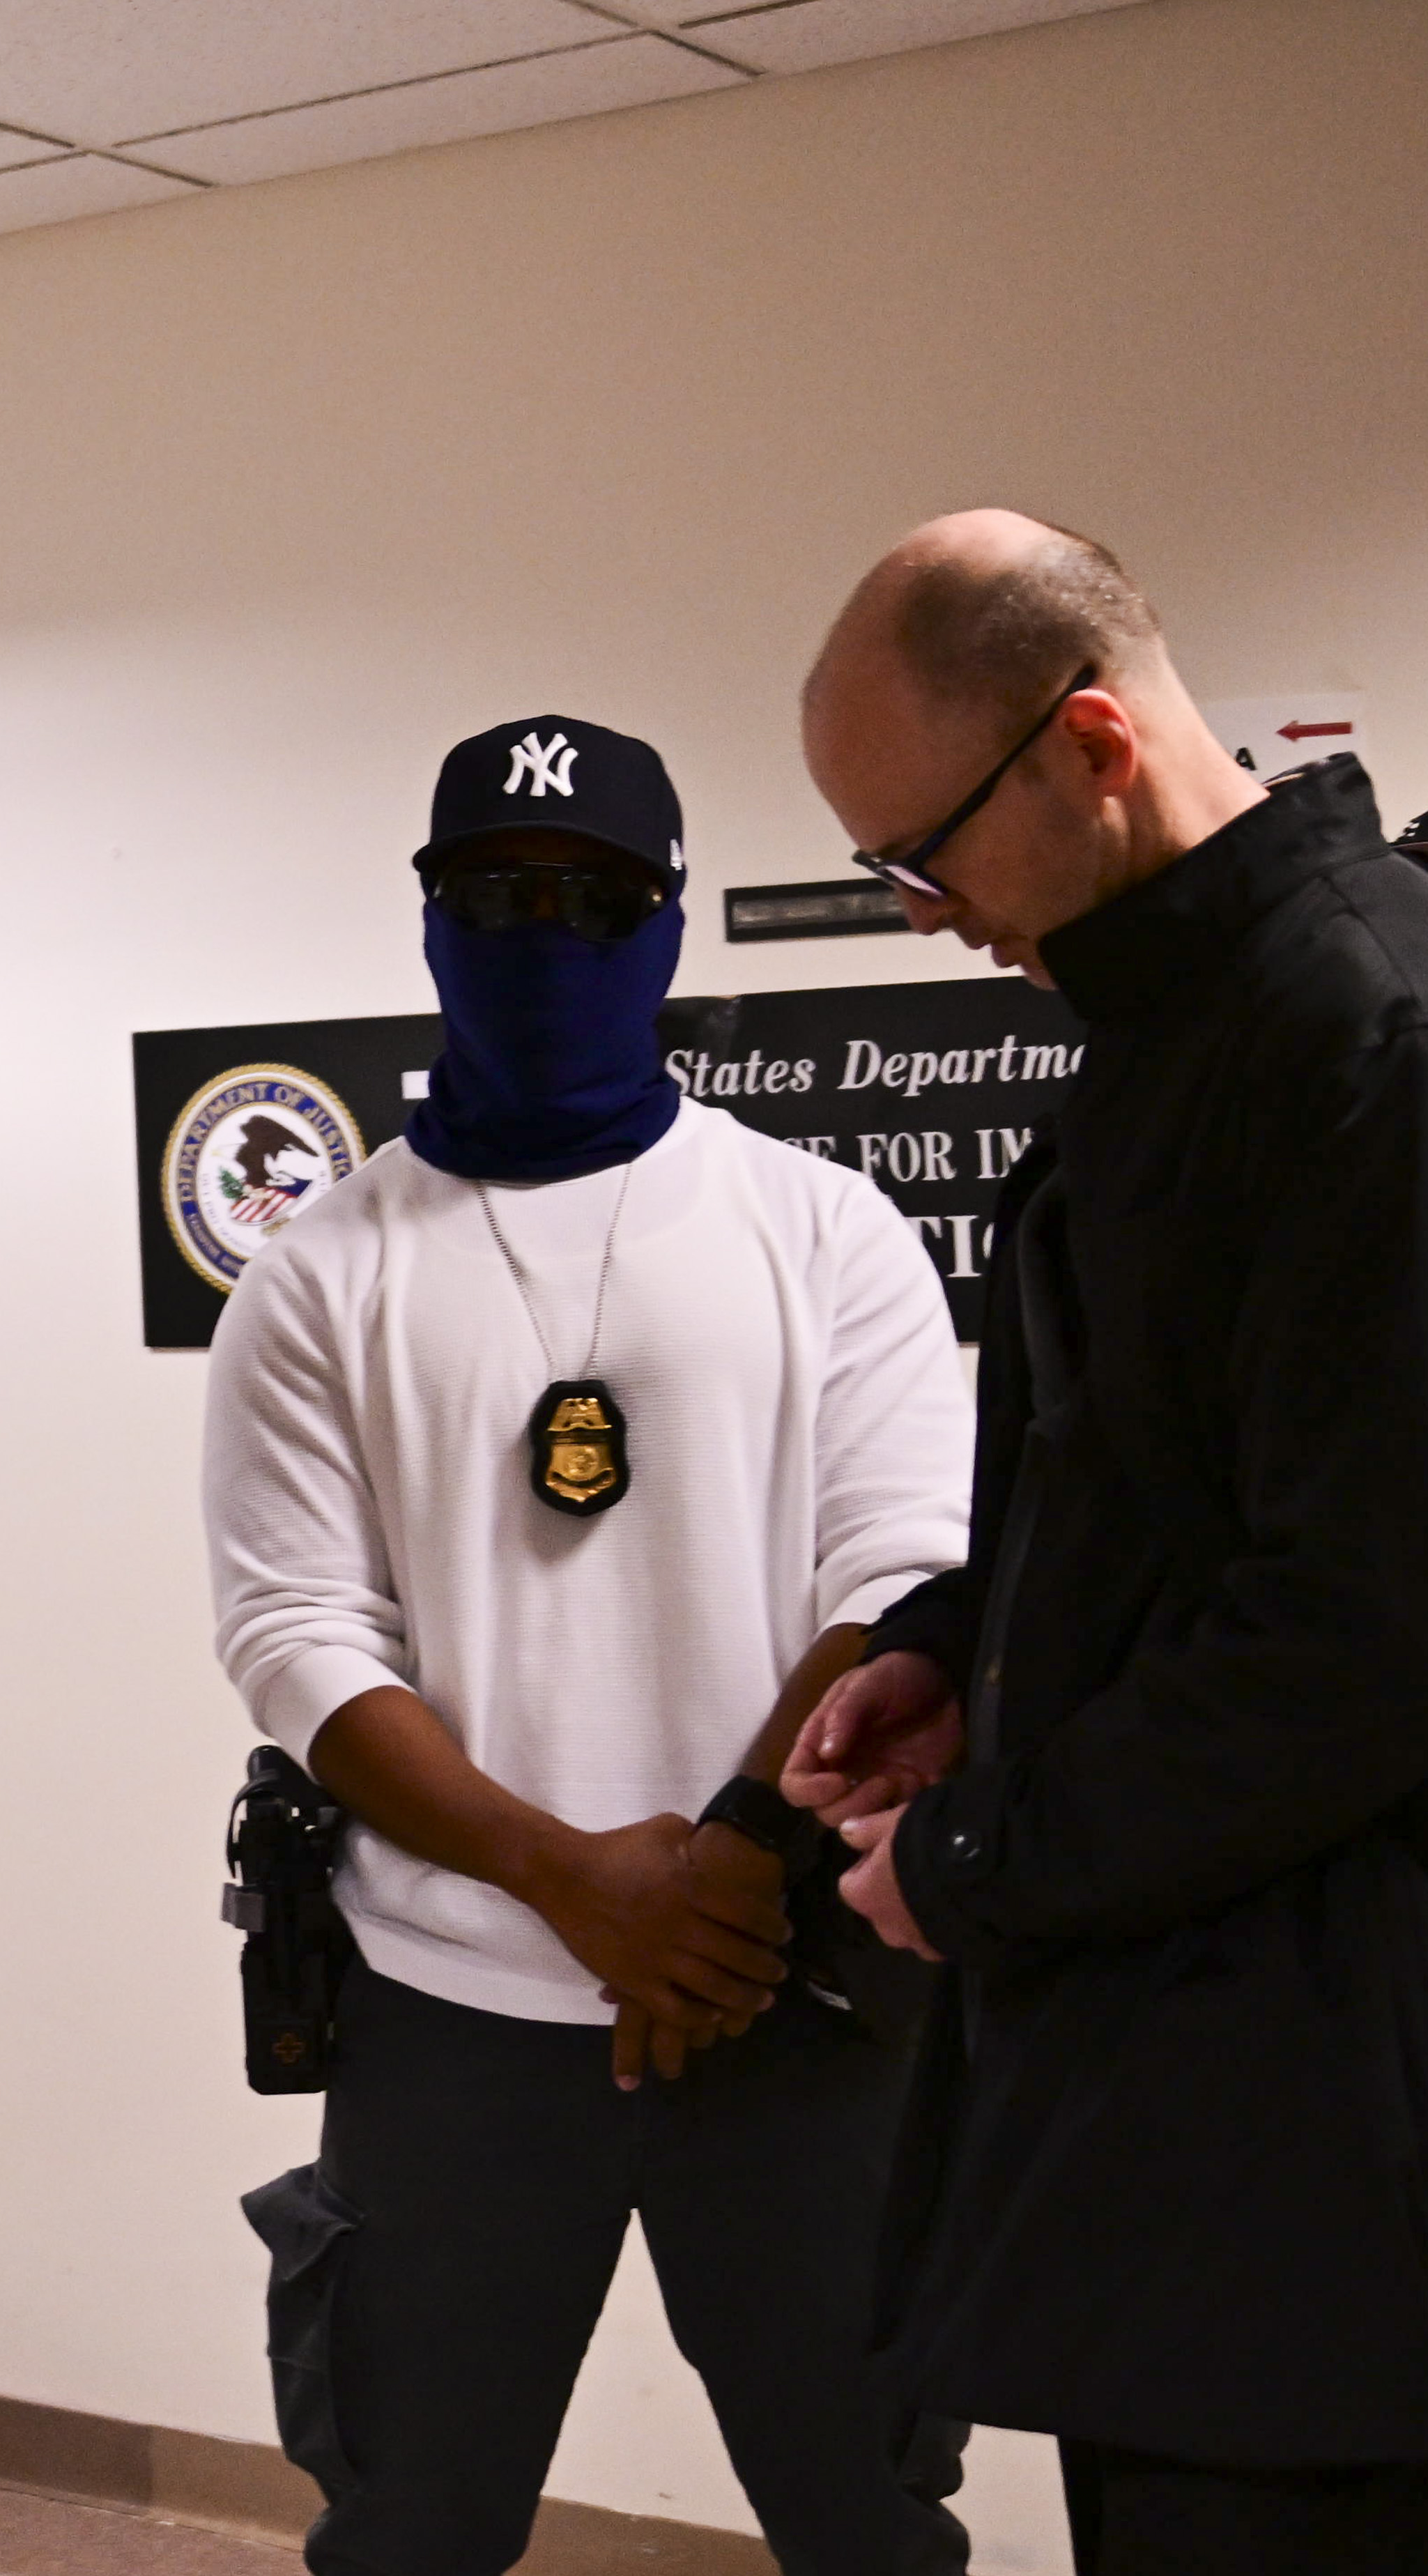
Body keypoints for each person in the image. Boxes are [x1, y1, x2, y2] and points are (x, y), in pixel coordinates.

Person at [204, 714, 976, 2575]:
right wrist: (574, 1880)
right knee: (410, 2528)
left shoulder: (827, 1229)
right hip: (449, 2008)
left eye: (593, 899)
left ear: (670, 923)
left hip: (794, 1995)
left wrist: (726, 1864)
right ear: (426, 920)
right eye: (492, 896)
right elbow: (297, 1634)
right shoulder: (324, 1267)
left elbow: (902, 1572)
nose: (541, 934)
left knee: (870, 2520)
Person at [790, 510, 1428, 2571]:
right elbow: (1158, 1478)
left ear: (1088, 745)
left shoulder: (1360, 1039)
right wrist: (957, 1652)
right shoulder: (1178, 1019)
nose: (918, 917)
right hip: (1190, 2135)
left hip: (1325, 2180)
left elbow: (1360, 1632)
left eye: (923, 856)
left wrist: (978, 1863)